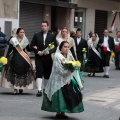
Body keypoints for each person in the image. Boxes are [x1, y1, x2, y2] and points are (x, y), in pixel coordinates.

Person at [41, 41, 84, 119]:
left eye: (68, 47)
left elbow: (75, 64)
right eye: (65, 47)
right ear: (61, 48)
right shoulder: (57, 56)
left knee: (68, 94)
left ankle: (63, 112)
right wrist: (69, 70)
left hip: (67, 78)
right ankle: (58, 112)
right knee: (59, 95)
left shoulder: (69, 55)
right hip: (58, 79)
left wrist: (74, 68)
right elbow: (59, 69)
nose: (66, 48)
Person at [0, 28, 35, 94]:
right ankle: (15, 88)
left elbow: (28, 49)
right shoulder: (13, 40)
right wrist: (6, 58)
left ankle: (21, 87)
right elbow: (9, 50)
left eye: (23, 32)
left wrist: (34, 48)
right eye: (21, 32)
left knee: (23, 73)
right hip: (15, 57)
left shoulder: (25, 40)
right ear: (17, 33)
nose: (22, 33)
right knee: (14, 73)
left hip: (23, 58)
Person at [30, 21, 57, 97]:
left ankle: (45, 89)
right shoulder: (36, 35)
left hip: (48, 57)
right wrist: (37, 51)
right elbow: (31, 45)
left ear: (48, 27)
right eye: (42, 26)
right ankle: (39, 90)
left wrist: (49, 52)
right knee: (39, 72)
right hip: (39, 57)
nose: (43, 27)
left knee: (47, 74)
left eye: (45, 26)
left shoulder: (51, 36)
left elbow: (56, 47)